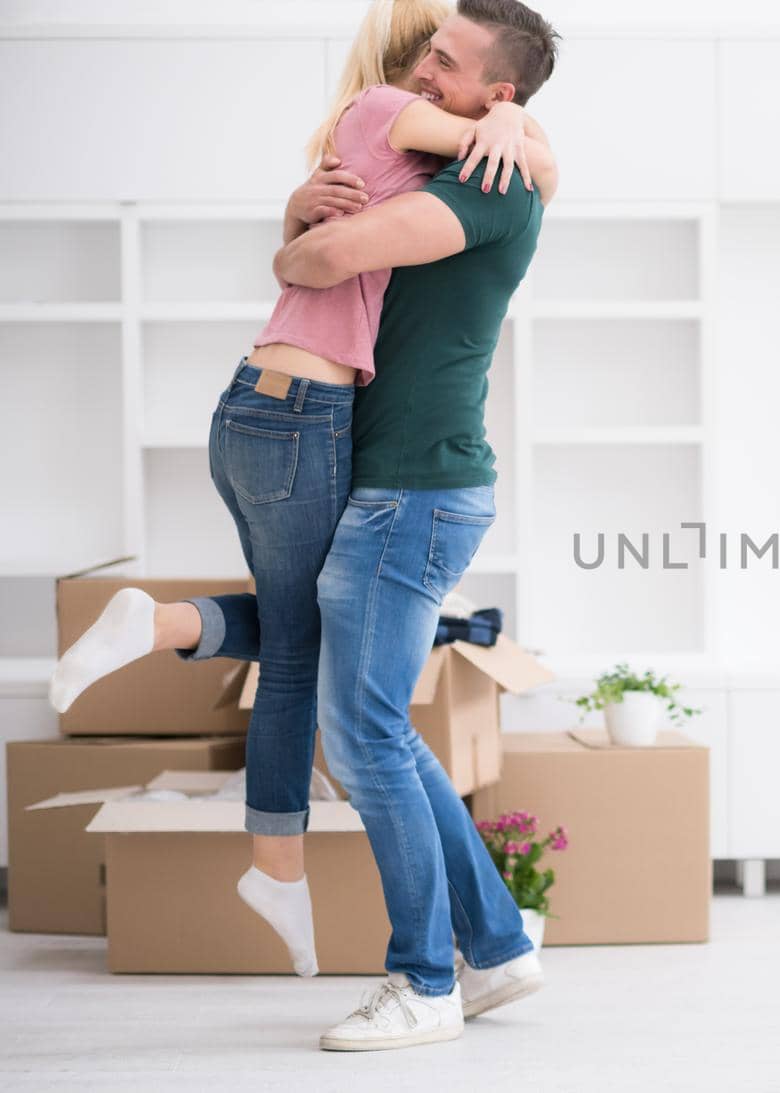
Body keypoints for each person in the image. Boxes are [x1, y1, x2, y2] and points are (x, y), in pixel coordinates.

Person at [47, 0, 558, 1013]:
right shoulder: (423, 156)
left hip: (414, 490)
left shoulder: (495, 184)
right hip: (355, 459)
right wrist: (301, 208)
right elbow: (335, 235)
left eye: (448, 64)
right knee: (347, 691)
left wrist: (301, 237)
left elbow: (323, 263)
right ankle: (493, 948)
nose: (426, 73)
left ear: (496, 94)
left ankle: (422, 980)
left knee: (359, 720)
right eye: (423, 54)